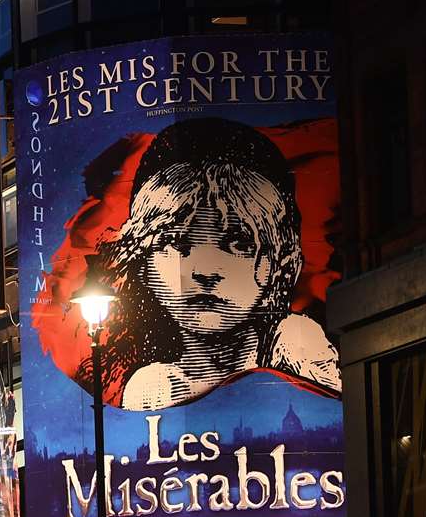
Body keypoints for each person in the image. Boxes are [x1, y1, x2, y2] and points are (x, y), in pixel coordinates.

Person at [83, 116, 339, 411]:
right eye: (178, 243)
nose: (206, 271)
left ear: (282, 262)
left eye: (239, 243)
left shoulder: (306, 358)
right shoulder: (148, 390)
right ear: (144, 260)